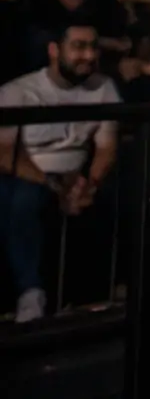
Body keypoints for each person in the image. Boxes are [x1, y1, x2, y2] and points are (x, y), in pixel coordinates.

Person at [0, 17, 120, 322]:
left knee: (122, 192)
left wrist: (88, 184)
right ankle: (30, 293)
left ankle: (97, 294)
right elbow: (6, 153)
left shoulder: (103, 87)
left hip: (76, 177)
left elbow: (107, 148)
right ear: (54, 50)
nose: (89, 56)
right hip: (30, 175)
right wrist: (54, 186)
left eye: (93, 47)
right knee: (23, 200)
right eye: (79, 47)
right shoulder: (19, 91)